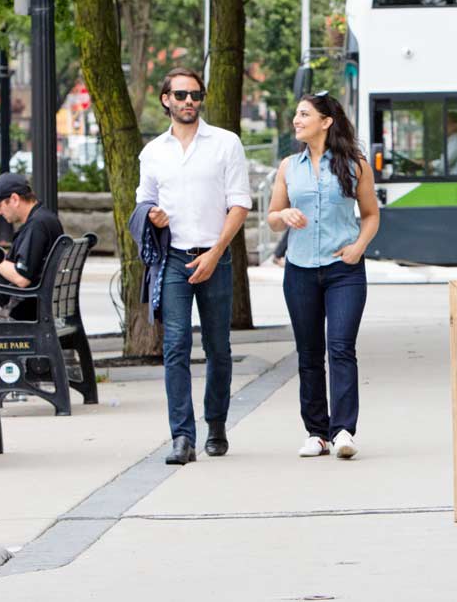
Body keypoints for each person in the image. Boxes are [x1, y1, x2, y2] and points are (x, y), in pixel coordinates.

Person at [129, 67, 252, 465]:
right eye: (180, 95)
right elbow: (143, 201)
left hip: (214, 257)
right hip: (174, 261)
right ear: (165, 99)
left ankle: (216, 424)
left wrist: (216, 253)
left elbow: (240, 204)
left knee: (218, 347)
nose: (188, 102)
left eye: (195, 96)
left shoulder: (225, 143)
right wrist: (152, 215)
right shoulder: (153, 152)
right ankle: (182, 436)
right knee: (176, 347)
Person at [269, 91, 380, 459]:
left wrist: (358, 247)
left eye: (304, 114)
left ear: (326, 121)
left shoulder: (355, 163)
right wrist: (283, 216)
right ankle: (317, 432)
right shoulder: (289, 167)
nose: (297, 121)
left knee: (341, 348)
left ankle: (344, 430)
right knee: (309, 353)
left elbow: (370, 214)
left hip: (343, 270)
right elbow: (272, 216)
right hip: (300, 271)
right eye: (296, 115)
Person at [0, 173, 65, 320]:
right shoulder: (42, 218)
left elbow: (21, 278)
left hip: (17, 307)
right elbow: (26, 264)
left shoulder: (37, 226)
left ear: (14, 199)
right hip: (29, 300)